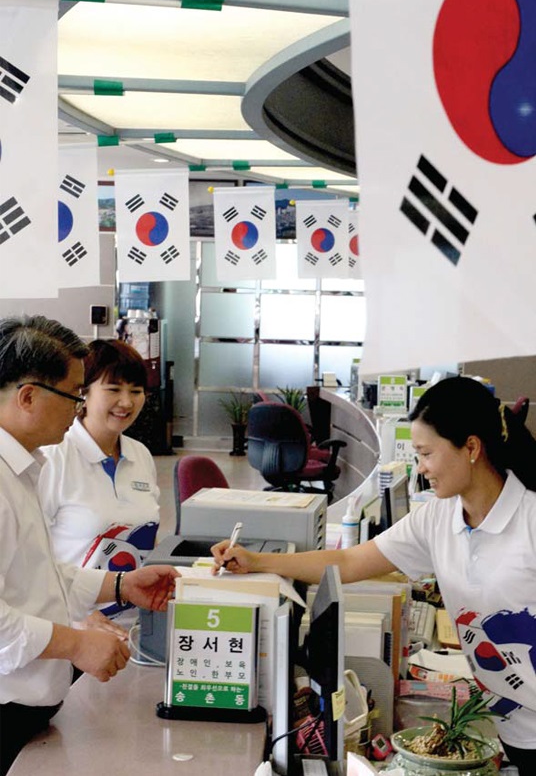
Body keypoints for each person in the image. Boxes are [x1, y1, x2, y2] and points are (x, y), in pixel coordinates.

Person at [212, 377, 536, 776]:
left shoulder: (530, 519)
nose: (421, 468)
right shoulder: (438, 518)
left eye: (426, 454)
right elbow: (348, 562)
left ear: (471, 448)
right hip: (512, 725)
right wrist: (258, 561)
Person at [0, 315, 178, 775]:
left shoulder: (23, 468)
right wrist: (77, 643)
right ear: (28, 396)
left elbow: (42, 574)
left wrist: (120, 585)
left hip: (33, 704)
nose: (78, 408)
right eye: (74, 394)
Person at [38, 339, 160, 639]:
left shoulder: (140, 455)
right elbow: (29, 561)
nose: (127, 402)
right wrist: (77, 614)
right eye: (114, 389)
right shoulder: (54, 457)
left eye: (136, 391)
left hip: (135, 626)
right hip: (71, 629)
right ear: (84, 392)